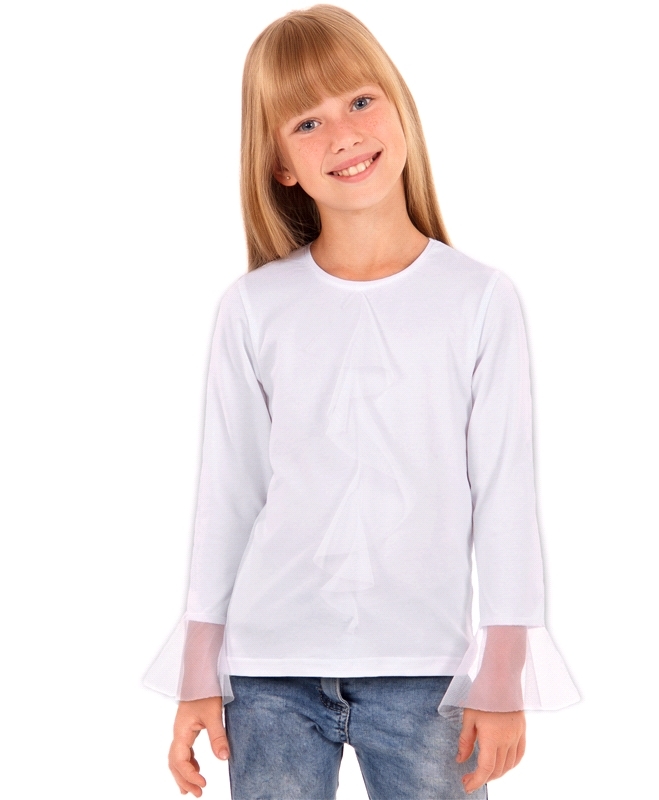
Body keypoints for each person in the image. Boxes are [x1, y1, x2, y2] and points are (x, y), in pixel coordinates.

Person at [144, 5, 580, 798]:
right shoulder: (254, 307)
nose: (342, 135)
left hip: (427, 673)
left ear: (398, 107)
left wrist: (503, 672)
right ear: (279, 164)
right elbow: (227, 496)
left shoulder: (478, 299)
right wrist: (197, 671)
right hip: (268, 673)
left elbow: (504, 492)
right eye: (306, 122)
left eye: (358, 101)